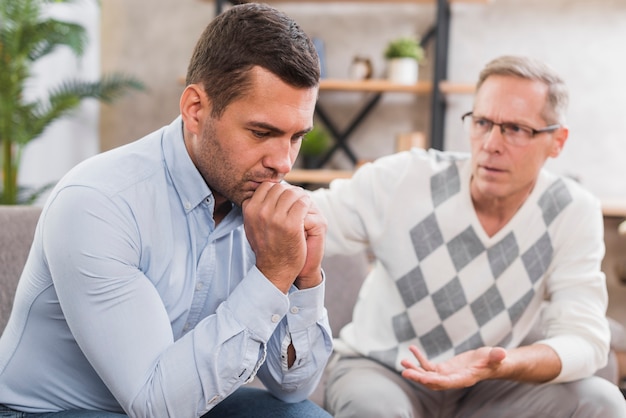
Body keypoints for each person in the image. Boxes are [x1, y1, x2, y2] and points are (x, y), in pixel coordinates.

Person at [0, 4, 333, 417]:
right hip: (51, 410)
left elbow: (292, 388)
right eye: (261, 133)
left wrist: (304, 277)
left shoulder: (259, 206)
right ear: (196, 109)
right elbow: (155, 406)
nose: (283, 163)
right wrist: (272, 275)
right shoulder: (98, 202)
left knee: (304, 415)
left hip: (176, 400)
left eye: (296, 136)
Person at [311, 55, 626, 417]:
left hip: (486, 388)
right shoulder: (407, 179)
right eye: (482, 122)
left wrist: (503, 364)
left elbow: (584, 338)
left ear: (557, 141)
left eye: (516, 129)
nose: (491, 143)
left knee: (603, 402)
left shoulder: (572, 211)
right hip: (383, 369)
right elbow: (304, 220)